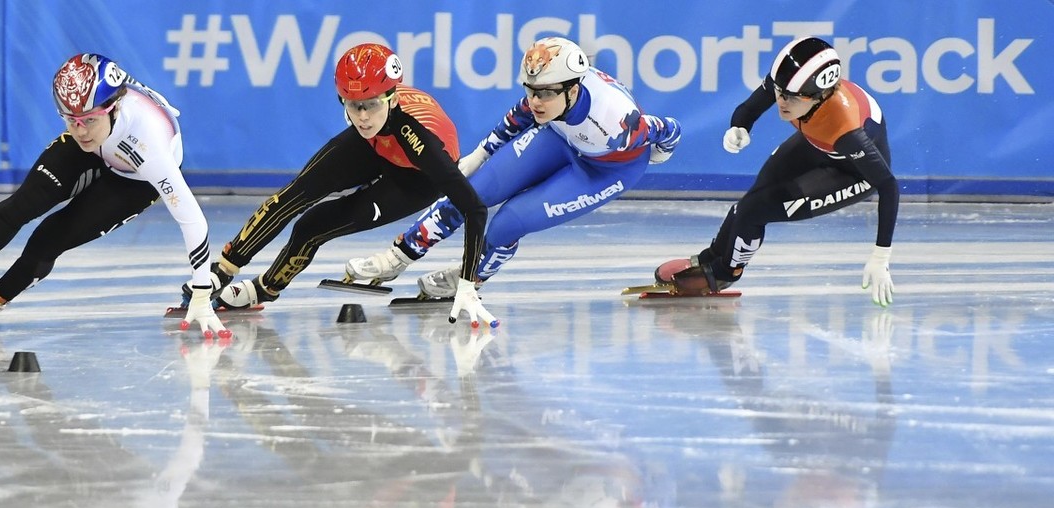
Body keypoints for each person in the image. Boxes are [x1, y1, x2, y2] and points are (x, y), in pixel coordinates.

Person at [0, 53, 227, 337]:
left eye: (89, 119)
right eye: (70, 120)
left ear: (114, 107)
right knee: (23, 205)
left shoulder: (151, 148)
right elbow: (86, 118)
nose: (80, 131)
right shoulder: (89, 118)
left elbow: (193, 220)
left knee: (50, 238)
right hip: (99, 150)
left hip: (134, 178)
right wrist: (86, 122)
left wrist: (201, 290)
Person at [344, 36, 682, 298]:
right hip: (559, 136)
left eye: (545, 94)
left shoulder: (617, 124)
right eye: (531, 90)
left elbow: (670, 128)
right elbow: (518, 117)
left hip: (607, 169)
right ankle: (399, 256)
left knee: (508, 223)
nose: (535, 101)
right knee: (472, 190)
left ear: (573, 90)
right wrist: (479, 156)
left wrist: (661, 153)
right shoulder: (550, 100)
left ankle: (472, 276)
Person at [199, 42, 495, 327]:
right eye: (354, 106)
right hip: (377, 144)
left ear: (391, 98)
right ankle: (222, 270)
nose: (363, 117)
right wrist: (221, 271)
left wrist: (467, 284)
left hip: (417, 178)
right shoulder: (370, 124)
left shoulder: (422, 142)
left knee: (312, 226)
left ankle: (264, 289)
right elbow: (367, 124)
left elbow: (474, 209)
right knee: (293, 196)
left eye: (371, 105)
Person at [654, 36, 898, 306]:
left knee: (757, 209)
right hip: (819, 144)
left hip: (856, 174)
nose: (781, 102)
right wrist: (740, 126)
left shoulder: (847, 129)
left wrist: (881, 255)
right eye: (779, 92)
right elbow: (750, 107)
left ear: (820, 96)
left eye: (791, 98)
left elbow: (888, 185)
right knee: (750, 200)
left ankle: (725, 273)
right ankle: (713, 256)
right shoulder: (792, 85)